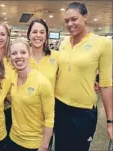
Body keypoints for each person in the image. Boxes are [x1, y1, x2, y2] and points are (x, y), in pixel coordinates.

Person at [54, 2, 112, 151]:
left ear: (85, 17)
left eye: (74, 19)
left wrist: (110, 121)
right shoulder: (64, 43)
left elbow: (106, 84)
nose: (70, 24)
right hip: (59, 106)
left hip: (83, 112)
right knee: (59, 146)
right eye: (66, 21)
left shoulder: (103, 43)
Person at [7, 38, 55, 151]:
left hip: (34, 144)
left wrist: (44, 146)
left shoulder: (42, 82)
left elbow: (49, 117)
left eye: (23, 52)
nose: (18, 56)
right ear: (10, 57)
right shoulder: (11, 78)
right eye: (14, 53)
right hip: (13, 139)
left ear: (29, 54)